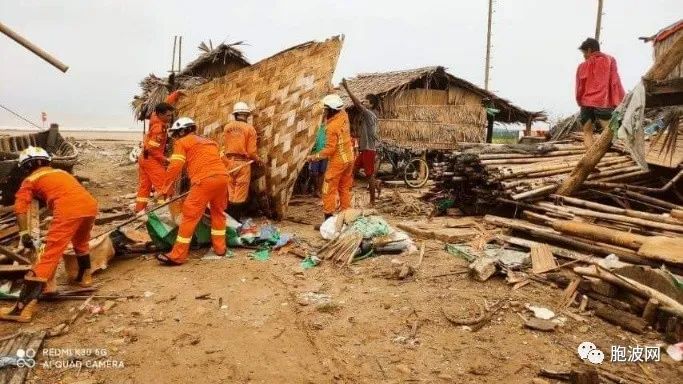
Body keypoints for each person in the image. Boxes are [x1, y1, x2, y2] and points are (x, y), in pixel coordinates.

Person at [0, 147, 98, 322]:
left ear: (26, 166)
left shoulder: (30, 179)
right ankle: (85, 278)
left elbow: (20, 208)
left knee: (49, 255)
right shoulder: (60, 172)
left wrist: (24, 233)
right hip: (90, 205)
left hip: (69, 210)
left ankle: (21, 309)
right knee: (81, 242)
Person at [156, 117, 229, 266]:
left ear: (183, 131)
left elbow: (175, 165)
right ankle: (220, 248)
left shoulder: (183, 142)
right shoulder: (211, 142)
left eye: (177, 134)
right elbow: (226, 162)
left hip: (204, 181)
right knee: (218, 213)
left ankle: (177, 256)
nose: (176, 137)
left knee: (189, 216)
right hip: (222, 178)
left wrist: (166, 187)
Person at [306, 94, 354, 223]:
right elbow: (340, 107)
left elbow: (330, 149)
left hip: (338, 161)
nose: (324, 112)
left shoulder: (331, 127)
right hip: (349, 158)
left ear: (332, 110)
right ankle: (346, 217)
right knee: (344, 188)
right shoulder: (344, 116)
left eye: (326, 110)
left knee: (328, 190)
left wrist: (314, 157)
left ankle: (328, 220)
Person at [135, 90, 183, 212]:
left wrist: (176, 94)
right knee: (164, 186)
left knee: (144, 187)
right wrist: (165, 159)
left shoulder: (155, 116)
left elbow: (165, 103)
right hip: (151, 159)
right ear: (160, 115)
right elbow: (151, 149)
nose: (170, 117)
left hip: (143, 158)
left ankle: (139, 211)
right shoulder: (158, 129)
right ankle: (166, 211)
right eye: (167, 115)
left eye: (170, 115)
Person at [575, 38, 625, 148]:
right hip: (603, 102)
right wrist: (619, 101)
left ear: (589, 50)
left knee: (587, 132)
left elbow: (579, 88)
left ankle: (590, 157)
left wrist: (580, 101)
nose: (584, 56)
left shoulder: (582, 66)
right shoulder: (610, 60)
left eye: (584, 53)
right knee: (610, 133)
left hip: (586, 103)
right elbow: (615, 82)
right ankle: (618, 153)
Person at [341, 78, 379, 206]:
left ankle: (373, 201)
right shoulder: (368, 115)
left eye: (366, 101)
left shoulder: (369, 114)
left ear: (371, 104)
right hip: (364, 150)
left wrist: (347, 88)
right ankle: (346, 195)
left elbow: (357, 104)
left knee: (369, 176)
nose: (364, 102)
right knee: (353, 170)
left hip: (368, 150)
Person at [221, 102, 262, 221]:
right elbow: (251, 152)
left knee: (231, 191)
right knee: (239, 193)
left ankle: (227, 220)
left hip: (228, 162)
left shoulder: (227, 127)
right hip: (242, 163)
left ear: (235, 114)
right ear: (247, 115)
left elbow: (225, 144)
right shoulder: (250, 129)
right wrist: (258, 159)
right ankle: (235, 221)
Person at [308, 122, 327, 197]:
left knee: (322, 172)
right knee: (314, 172)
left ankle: (319, 190)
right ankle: (316, 190)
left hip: (324, 152)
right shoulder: (313, 126)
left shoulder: (326, 127)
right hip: (314, 153)